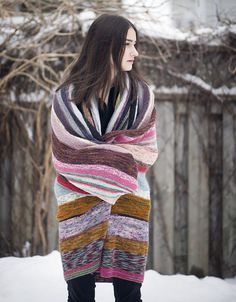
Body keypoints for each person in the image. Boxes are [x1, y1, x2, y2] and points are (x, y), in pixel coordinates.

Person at [51, 13, 158, 302]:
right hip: (78, 205)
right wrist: (116, 157)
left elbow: (144, 153)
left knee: (129, 292)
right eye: (128, 44)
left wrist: (97, 158)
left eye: (136, 44)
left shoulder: (142, 97)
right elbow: (67, 156)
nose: (136, 52)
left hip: (129, 202)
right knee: (80, 292)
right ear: (105, 45)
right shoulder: (67, 98)